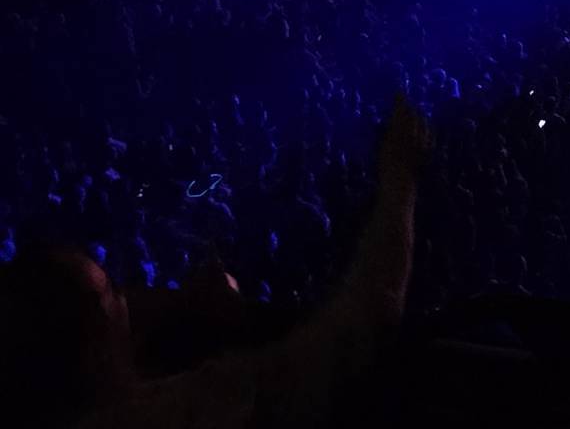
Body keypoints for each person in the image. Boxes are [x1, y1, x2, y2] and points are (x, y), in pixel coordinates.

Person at [0, 99, 428, 429]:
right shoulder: (183, 412)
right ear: (94, 344)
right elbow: (353, 338)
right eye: (113, 291)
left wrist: (185, 305)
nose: (130, 297)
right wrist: (399, 178)